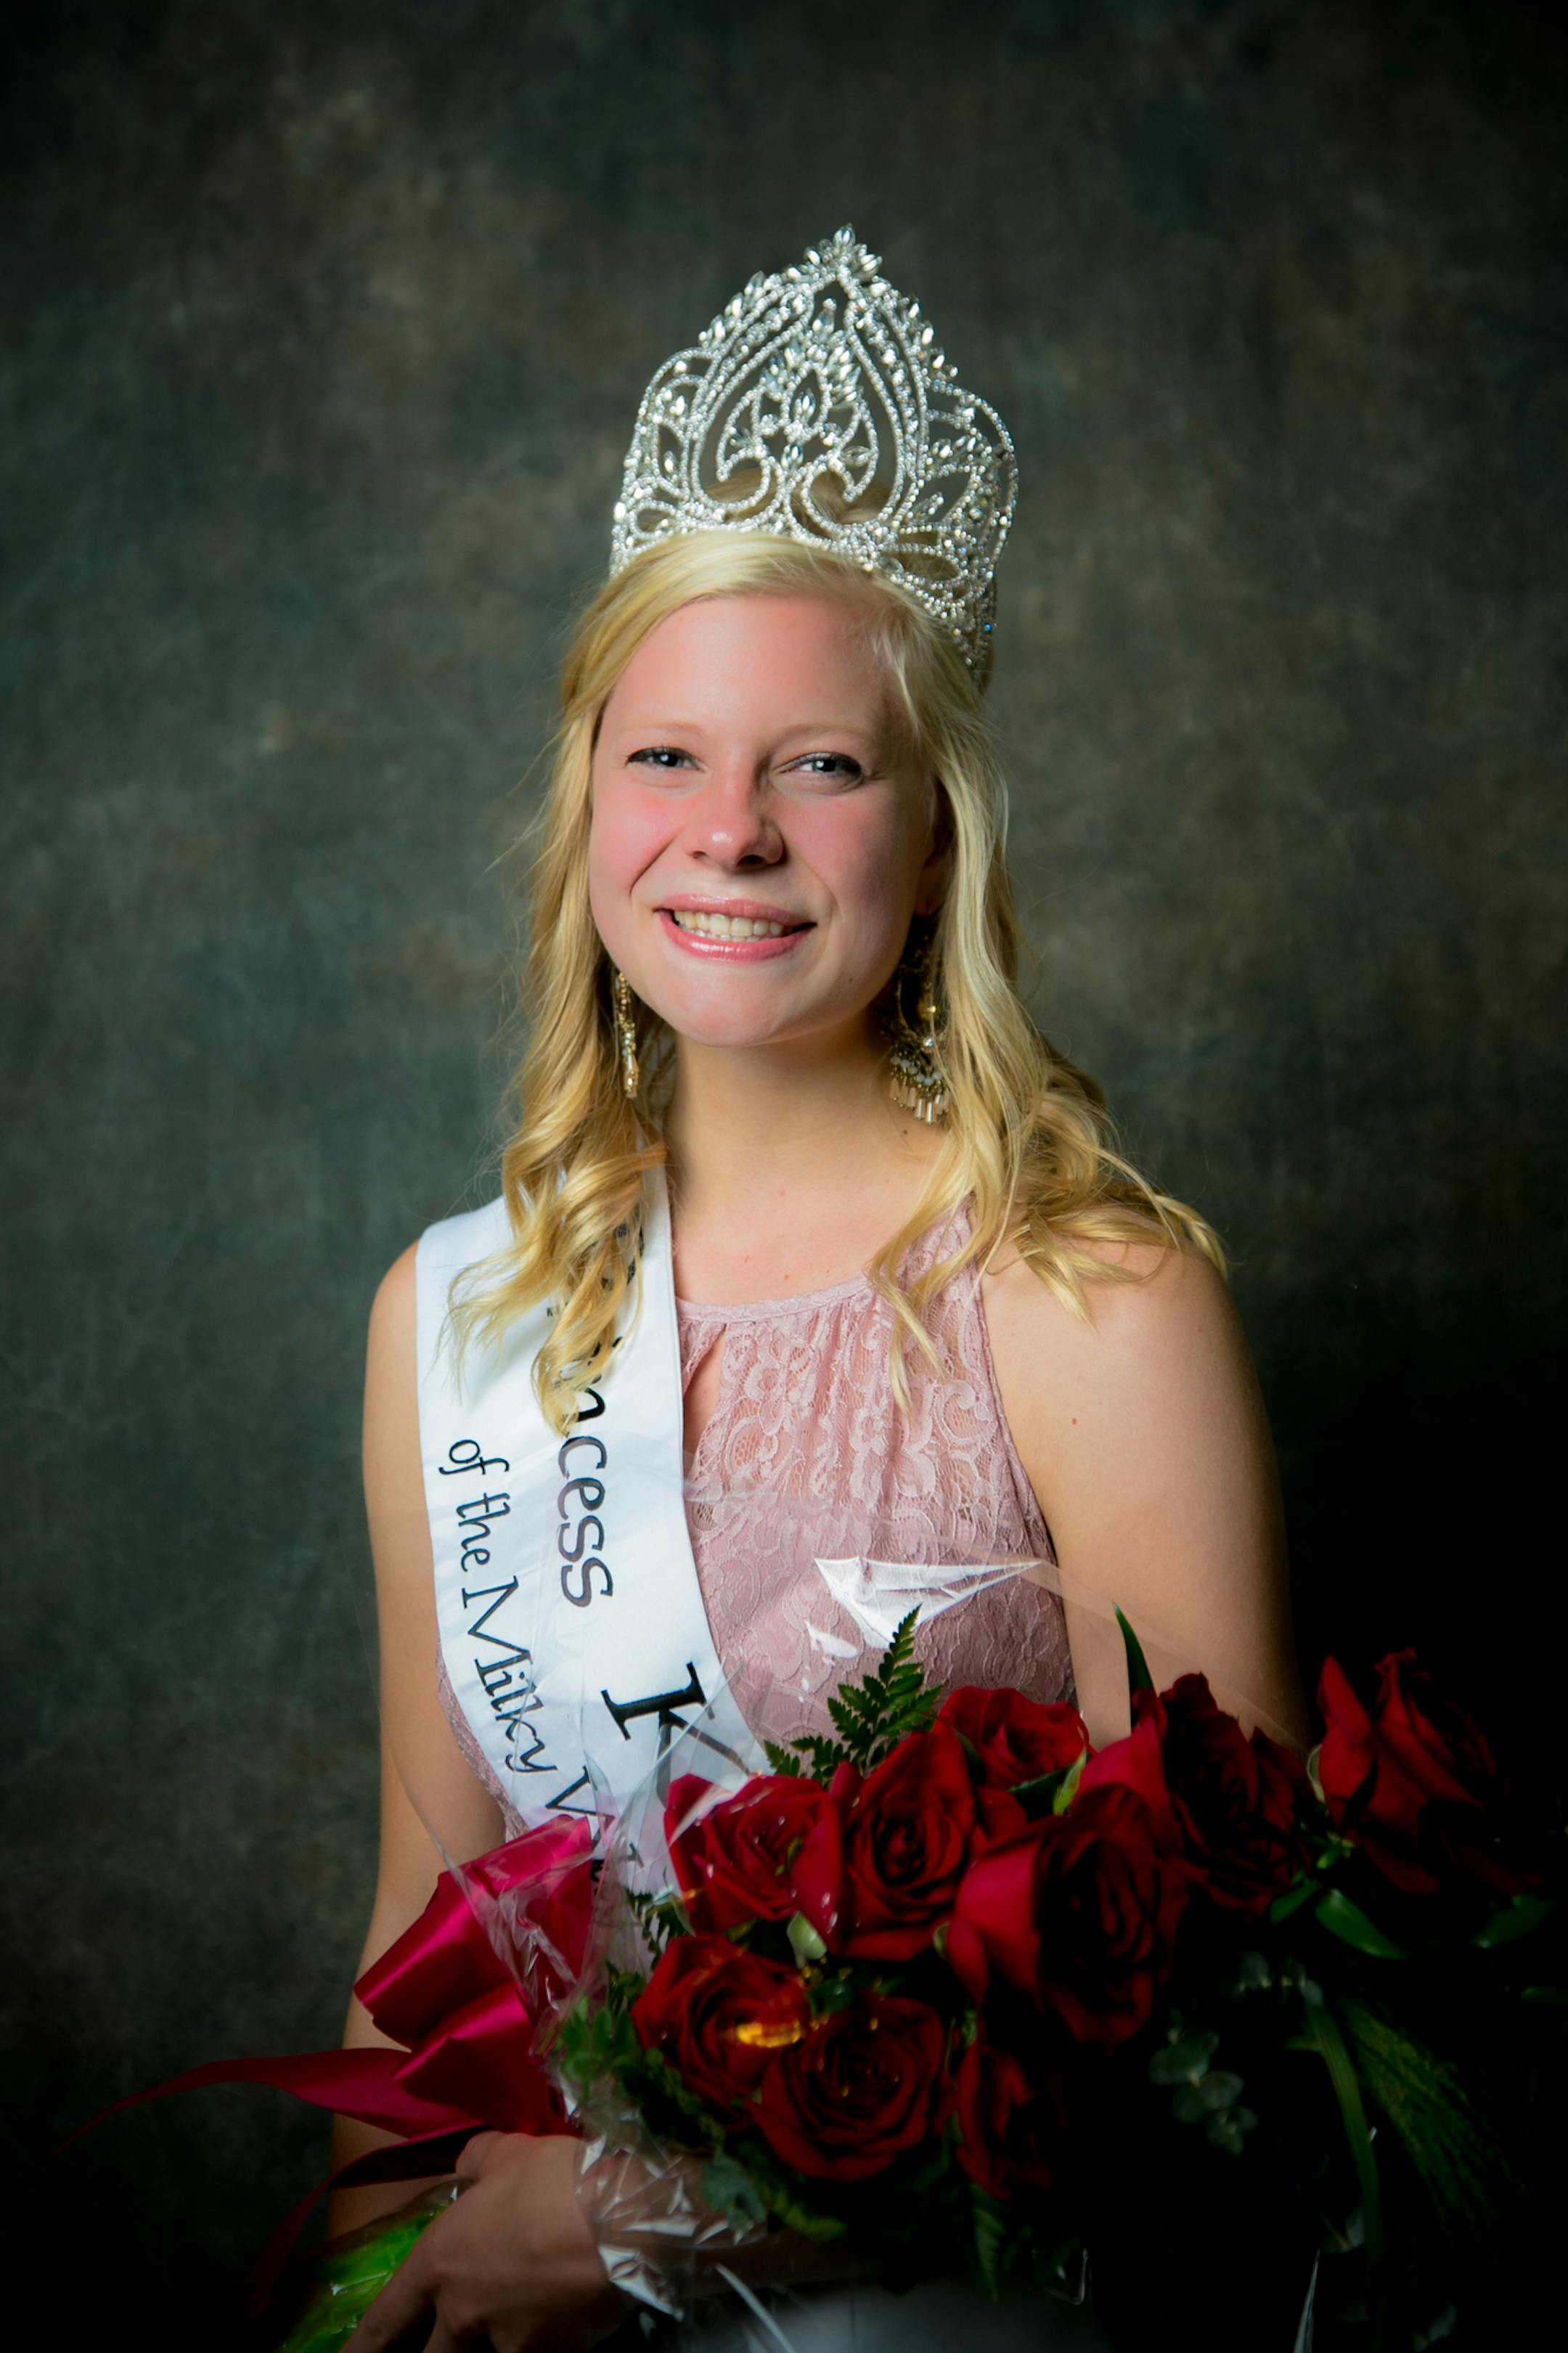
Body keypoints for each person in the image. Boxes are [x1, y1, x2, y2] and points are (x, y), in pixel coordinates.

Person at [334, 229, 1307, 2353]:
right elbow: (430, 1935)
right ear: (589, 801)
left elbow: (1248, 2009)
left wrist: (639, 2218)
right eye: (667, 755)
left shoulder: (1090, 1303)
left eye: (825, 766)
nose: (734, 836)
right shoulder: (457, 1321)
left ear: (937, 834)